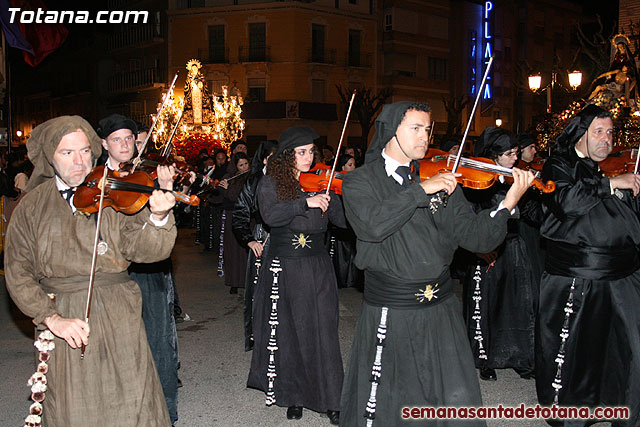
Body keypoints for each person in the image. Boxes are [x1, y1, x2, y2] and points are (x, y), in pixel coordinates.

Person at [340, 102, 534, 427]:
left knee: (447, 400)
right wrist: (419, 192)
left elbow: (476, 237)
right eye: (415, 128)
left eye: (427, 129)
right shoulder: (359, 181)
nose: (424, 136)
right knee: (391, 404)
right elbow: (371, 225)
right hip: (393, 309)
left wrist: (507, 204)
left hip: (441, 309)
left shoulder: (439, 179)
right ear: (390, 130)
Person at [4, 116, 176, 426]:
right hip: (63, 312)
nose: (79, 161)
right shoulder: (32, 206)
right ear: (49, 157)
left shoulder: (111, 194)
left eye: (84, 151)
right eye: (67, 153)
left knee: (131, 398)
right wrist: (50, 317)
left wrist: (159, 218)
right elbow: (18, 271)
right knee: (73, 406)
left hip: (118, 310)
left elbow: (146, 250)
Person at [536, 104, 640, 426]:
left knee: (627, 352)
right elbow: (567, 203)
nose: (606, 140)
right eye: (598, 132)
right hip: (579, 280)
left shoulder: (604, 169)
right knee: (580, 356)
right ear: (580, 134)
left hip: (621, 277)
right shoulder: (558, 165)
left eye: (610, 133)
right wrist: (612, 185)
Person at [247, 126, 345, 425]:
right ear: (287, 155)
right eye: (301, 152)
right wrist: (305, 201)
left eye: (311, 152)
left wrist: (340, 192)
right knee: (289, 332)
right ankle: (293, 396)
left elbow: (342, 223)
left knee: (323, 331)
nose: (308, 157)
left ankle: (331, 399)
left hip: (317, 264)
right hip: (285, 265)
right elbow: (271, 216)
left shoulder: (321, 182)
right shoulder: (271, 182)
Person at [97, 114, 180, 424]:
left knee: (159, 341)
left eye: (130, 139)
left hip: (150, 270)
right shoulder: (92, 178)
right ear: (104, 143)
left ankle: (166, 412)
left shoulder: (147, 175)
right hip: (110, 271)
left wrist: (167, 188)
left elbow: (171, 225)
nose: (125, 145)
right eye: (117, 139)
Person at [463, 127, 537, 382]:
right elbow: (471, 215)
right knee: (485, 303)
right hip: (487, 249)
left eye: (516, 153)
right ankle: (485, 358)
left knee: (517, 301)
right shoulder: (478, 180)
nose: (514, 159)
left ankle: (518, 355)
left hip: (513, 245)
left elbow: (530, 215)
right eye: (508, 154)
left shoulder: (518, 176)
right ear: (494, 156)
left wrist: (532, 191)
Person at [232, 139, 278, 351]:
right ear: (266, 158)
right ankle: (258, 336)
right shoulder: (255, 181)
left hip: (288, 241)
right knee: (260, 291)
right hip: (264, 239)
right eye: (274, 157)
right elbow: (240, 212)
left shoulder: (291, 179)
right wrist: (249, 239)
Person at [326, 154, 362, 289]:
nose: (353, 168)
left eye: (354, 165)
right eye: (350, 165)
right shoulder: (337, 183)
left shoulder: (355, 182)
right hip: (340, 228)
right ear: (342, 167)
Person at [219, 152, 251, 294]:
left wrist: (229, 189)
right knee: (232, 248)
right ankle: (233, 281)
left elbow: (240, 196)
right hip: (232, 216)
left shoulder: (252, 177)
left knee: (245, 250)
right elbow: (225, 197)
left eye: (246, 164)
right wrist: (222, 187)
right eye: (241, 165)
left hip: (247, 217)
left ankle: (246, 280)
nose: (244, 167)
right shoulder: (229, 177)